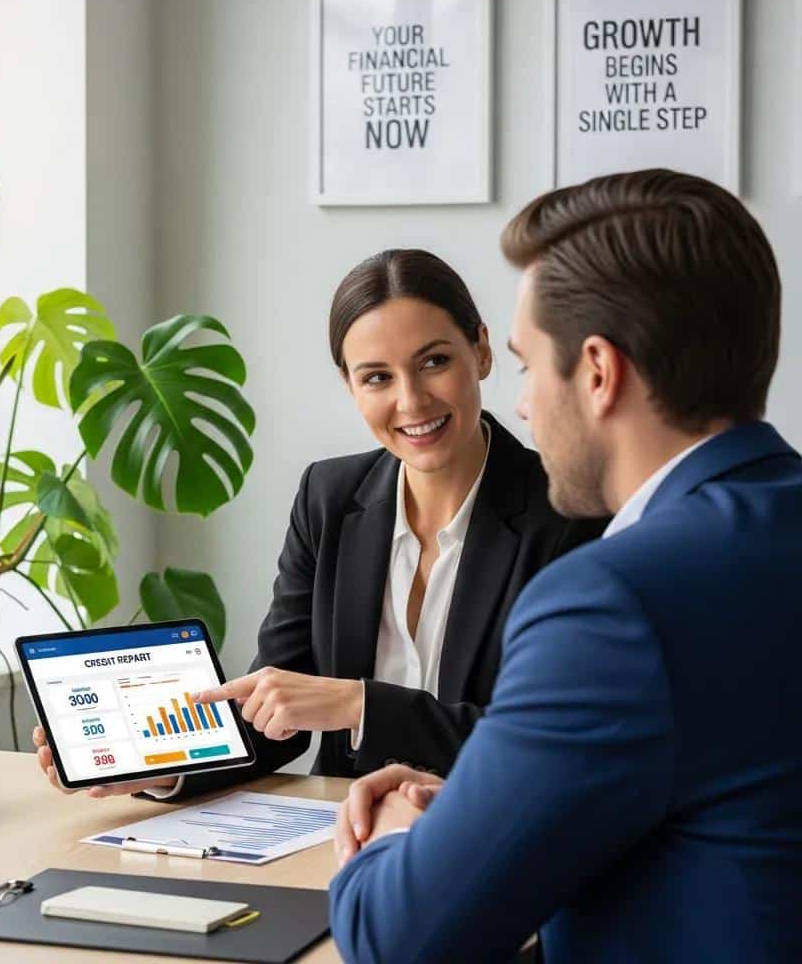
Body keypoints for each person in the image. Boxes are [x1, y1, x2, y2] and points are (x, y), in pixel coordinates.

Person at [329, 169, 802, 963]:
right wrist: (497, 814)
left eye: (523, 365)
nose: (521, 405)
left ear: (596, 372)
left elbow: (398, 939)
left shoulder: (611, 603)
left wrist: (406, 836)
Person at [32, 249, 603, 800]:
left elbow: (548, 740)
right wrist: (153, 770)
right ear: (349, 385)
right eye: (377, 377)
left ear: (479, 350)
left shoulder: (567, 513)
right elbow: (277, 709)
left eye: (434, 362)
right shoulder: (328, 499)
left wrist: (359, 706)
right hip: (335, 838)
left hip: (492, 831)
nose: (411, 401)